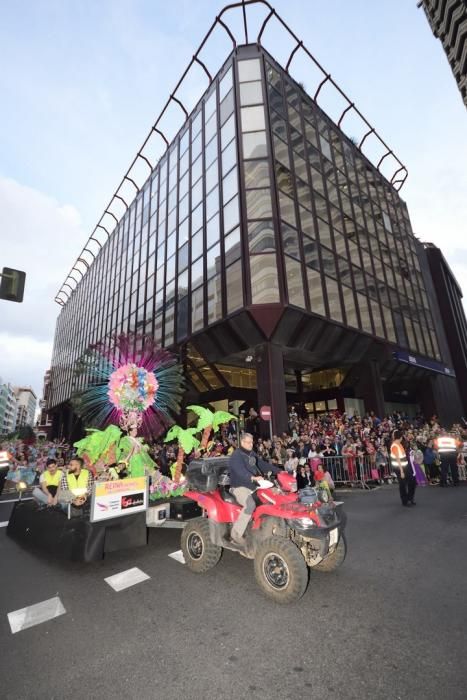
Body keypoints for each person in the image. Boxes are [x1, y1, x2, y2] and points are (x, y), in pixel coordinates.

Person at [228, 432, 279, 545]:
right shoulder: (236, 455)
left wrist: (280, 471)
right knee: (250, 504)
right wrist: (253, 478)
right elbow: (240, 471)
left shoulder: (251, 454)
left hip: (254, 486)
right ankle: (236, 534)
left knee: (273, 498)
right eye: (249, 442)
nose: (251, 444)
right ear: (242, 442)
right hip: (239, 487)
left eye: (252, 442)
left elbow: (262, 465)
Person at [390, 430, 416, 507]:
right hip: (399, 468)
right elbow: (398, 459)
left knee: (412, 481)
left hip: (405, 466)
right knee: (403, 484)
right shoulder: (395, 445)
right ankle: (405, 501)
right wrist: (401, 471)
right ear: (401, 437)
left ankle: (409, 498)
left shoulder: (399, 444)